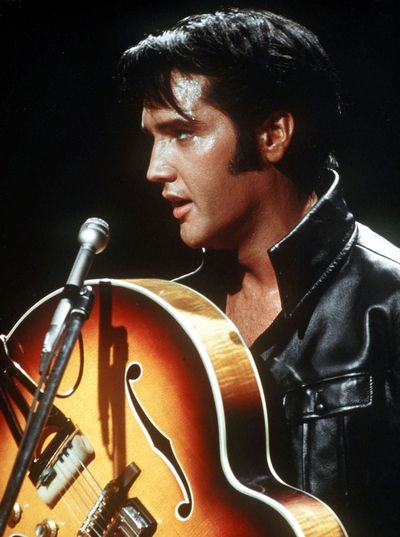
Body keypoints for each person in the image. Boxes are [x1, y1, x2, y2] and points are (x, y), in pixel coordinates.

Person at [119, 8, 400, 536]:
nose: (154, 169)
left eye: (181, 133)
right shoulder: (168, 325)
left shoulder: (391, 304)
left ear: (272, 134)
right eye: (152, 138)